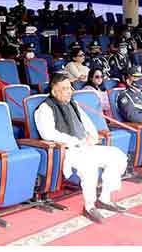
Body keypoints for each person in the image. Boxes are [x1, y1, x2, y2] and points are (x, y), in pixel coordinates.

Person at [35, 74, 128, 223]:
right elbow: (48, 133)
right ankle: (89, 206)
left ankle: (104, 198)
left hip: (86, 146)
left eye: (70, 88)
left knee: (116, 155)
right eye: (64, 89)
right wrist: (75, 140)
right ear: (54, 92)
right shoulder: (45, 108)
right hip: (69, 150)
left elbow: (88, 123)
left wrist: (92, 136)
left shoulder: (74, 104)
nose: (69, 91)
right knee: (89, 166)